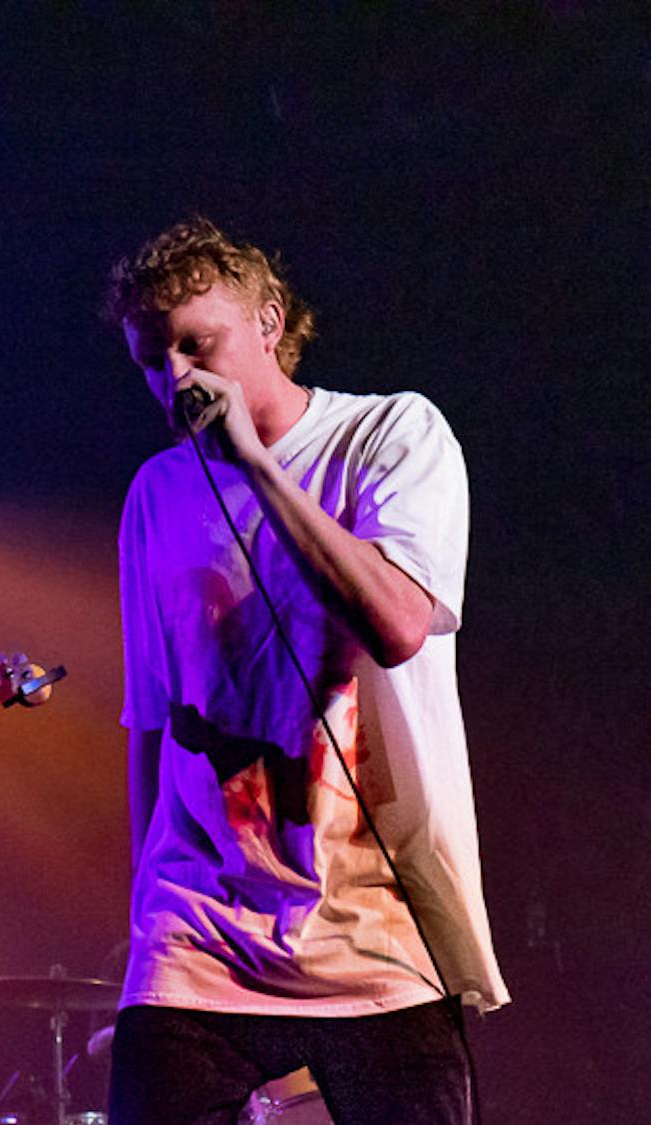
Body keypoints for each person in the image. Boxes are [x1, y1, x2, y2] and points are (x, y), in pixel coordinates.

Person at [102, 217, 508, 1124]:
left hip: (376, 929)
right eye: (151, 356)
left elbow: (399, 622)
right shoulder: (155, 497)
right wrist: (140, 930)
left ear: (270, 323)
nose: (175, 376)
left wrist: (257, 463)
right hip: (199, 936)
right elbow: (154, 726)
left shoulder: (392, 435)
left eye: (195, 343)